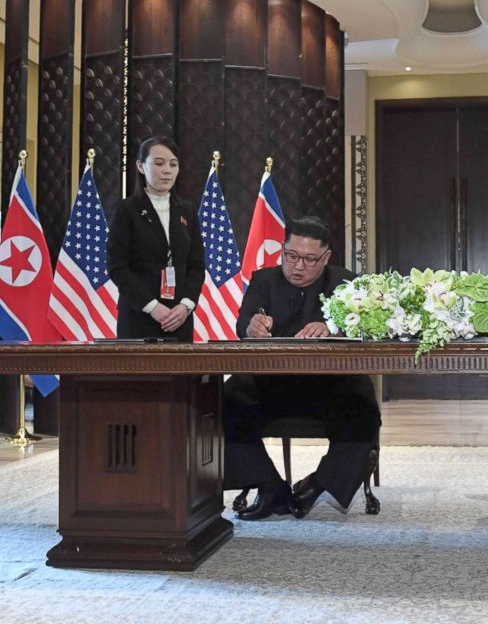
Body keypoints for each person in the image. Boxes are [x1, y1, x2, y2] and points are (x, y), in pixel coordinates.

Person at [224, 216, 381, 520]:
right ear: (282, 251)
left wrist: (332, 327)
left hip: (329, 387)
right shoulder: (263, 280)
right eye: (291, 256)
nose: (297, 266)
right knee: (225, 399)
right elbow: (242, 323)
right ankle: (269, 486)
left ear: (326, 257)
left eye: (309, 259)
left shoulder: (345, 283)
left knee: (363, 407)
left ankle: (316, 485)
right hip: (271, 385)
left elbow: (367, 330)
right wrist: (251, 326)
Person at [107, 136, 204, 342]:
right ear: (141, 166)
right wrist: (151, 306)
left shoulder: (187, 210)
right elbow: (117, 267)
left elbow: (196, 265)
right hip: (138, 314)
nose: (167, 170)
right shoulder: (126, 210)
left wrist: (186, 305)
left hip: (179, 317)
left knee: (181, 373)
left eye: (173, 164)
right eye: (159, 163)